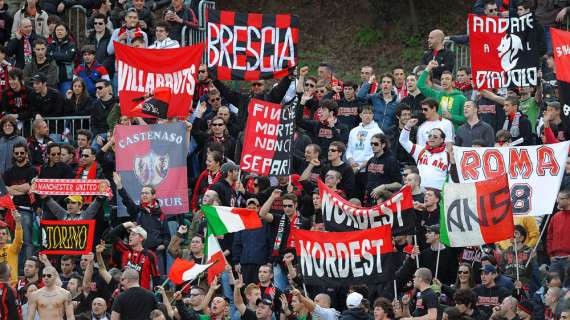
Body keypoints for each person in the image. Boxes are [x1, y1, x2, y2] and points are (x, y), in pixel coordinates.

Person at [3, 143, 36, 258]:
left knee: (27, 241)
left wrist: (12, 189)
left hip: (26, 209)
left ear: (26, 153)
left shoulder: (32, 170)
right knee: (9, 242)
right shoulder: (8, 172)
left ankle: (28, 267)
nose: (19, 155)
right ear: (13, 154)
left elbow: (29, 187)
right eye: (16, 153)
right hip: (10, 211)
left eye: (22, 152)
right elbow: (4, 190)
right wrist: (22, 189)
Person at [106, 221, 160, 289]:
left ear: (141, 238)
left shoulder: (150, 255)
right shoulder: (125, 249)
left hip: (143, 294)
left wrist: (156, 295)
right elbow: (112, 234)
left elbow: (156, 278)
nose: (130, 237)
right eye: (130, 234)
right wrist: (129, 224)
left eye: (133, 234)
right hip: (126, 292)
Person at [399, 118, 449, 190]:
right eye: (429, 136)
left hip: (438, 192)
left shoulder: (447, 155)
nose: (431, 138)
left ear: (442, 140)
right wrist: (407, 126)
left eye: (435, 137)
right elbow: (403, 141)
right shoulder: (420, 150)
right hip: (420, 190)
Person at [418, 61, 466, 128]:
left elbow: (465, 119)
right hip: (438, 132)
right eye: (442, 79)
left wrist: (451, 116)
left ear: (453, 83)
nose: (444, 81)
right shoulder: (436, 94)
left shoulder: (461, 98)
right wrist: (428, 67)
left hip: (454, 134)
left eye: (447, 79)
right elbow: (420, 85)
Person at [365, 133, 402, 204]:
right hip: (370, 198)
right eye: (371, 144)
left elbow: (399, 184)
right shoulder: (370, 160)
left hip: (384, 199)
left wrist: (383, 187)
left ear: (383, 145)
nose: (373, 146)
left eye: (376, 144)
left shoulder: (391, 160)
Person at [47, 23, 77, 94]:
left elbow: (69, 57)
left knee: (66, 99)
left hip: (66, 79)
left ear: (66, 32)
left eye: (62, 30)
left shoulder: (71, 44)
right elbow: (47, 56)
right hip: (53, 79)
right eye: (57, 30)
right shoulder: (51, 44)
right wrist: (63, 56)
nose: (59, 32)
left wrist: (53, 55)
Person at [548, 189, 570, 276]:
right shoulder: (555, 217)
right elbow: (549, 237)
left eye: (561, 198)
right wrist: (550, 255)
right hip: (555, 260)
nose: (557, 201)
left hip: (568, 259)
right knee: (552, 286)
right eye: (558, 198)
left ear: (569, 200)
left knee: (567, 288)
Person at [0, 210, 21, 286]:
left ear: (7, 237)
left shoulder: (12, 249)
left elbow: (18, 240)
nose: (1, 236)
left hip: (11, 287)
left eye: (3, 234)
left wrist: (18, 222)